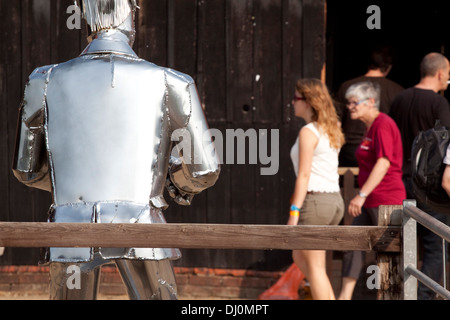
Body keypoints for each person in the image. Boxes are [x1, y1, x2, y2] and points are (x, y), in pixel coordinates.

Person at [12, 0, 220, 300]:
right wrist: (174, 183)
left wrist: (71, 183)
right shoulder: (172, 81)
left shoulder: (43, 79)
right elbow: (205, 170)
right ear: (131, 16)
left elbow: (27, 170)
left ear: (86, 18)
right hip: (142, 223)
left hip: (70, 227)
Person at [389, 52, 450, 299]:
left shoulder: (399, 99)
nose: (448, 79)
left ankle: (400, 292)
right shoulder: (439, 103)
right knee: (437, 245)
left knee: (404, 239)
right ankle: (422, 296)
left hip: (401, 178)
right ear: (439, 73)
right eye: (448, 74)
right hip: (429, 184)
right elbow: (445, 144)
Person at [338, 81, 406, 300]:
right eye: (348, 103)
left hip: (386, 199)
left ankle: (387, 297)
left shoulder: (383, 124)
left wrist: (361, 194)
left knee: (386, 251)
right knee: (352, 244)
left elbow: (384, 163)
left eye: (354, 103)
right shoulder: (369, 128)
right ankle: (344, 297)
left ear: (370, 102)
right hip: (371, 200)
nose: (350, 107)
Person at [287, 78, 345, 300]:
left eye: (296, 98)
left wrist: (294, 212)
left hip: (316, 201)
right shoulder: (331, 128)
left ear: (309, 102)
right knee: (312, 264)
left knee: (313, 266)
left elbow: (304, 175)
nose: (293, 103)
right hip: (333, 202)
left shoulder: (308, 132)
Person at [335, 47, 404, 167]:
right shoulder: (397, 91)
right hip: (381, 148)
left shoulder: (346, 86)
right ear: (388, 67)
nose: (351, 106)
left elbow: (335, 121)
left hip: (350, 148)